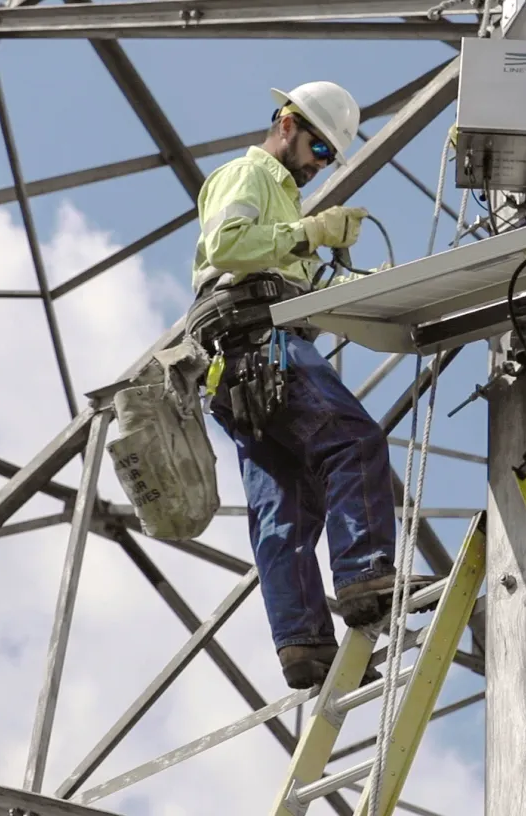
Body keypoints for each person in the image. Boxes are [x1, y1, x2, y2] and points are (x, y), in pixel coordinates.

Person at [186, 81, 436, 690]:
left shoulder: (284, 204)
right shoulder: (249, 178)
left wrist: (367, 284)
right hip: (257, 345)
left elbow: (286, 280)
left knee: (287, 509)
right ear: (287, 123)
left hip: (244, 364)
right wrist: (312, 234)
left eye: (329, 159)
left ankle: (304, 646)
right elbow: (226, 245)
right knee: (352, 443)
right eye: (318, 151)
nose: (317, 167)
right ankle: (366, 573)